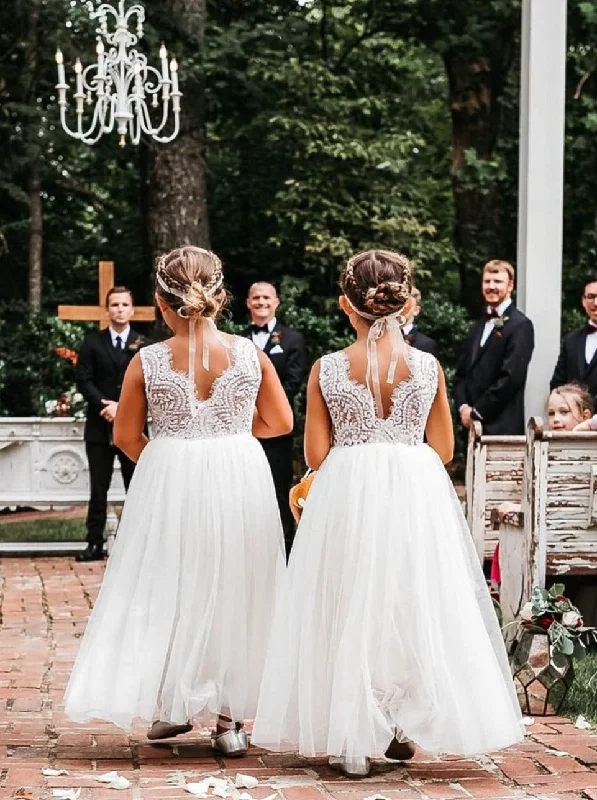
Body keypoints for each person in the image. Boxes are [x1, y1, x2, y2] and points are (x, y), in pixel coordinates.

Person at [252, 250, 524, 778]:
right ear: (404, 302)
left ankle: (353, 739)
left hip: (348, 489)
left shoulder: (326, 368)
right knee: (410, 596)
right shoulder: (427, 367)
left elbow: (313, 455)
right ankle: (400, 720)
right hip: (413, 490)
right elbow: (444, 448)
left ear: (345, 306)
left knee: (349, 597)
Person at [65, 247, 292, 757]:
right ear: (218, 298)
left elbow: (125, 435)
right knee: (238, 583)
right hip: (239, 474)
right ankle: (231, 723)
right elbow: (280, 423)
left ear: (161, 303)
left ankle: (173, 707)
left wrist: (170, 454)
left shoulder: (146, 360)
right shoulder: (249, 355)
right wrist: (229, 437)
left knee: (170, 581)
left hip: (170, 478)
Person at [490, 382, 594, 588]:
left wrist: (586, 428)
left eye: (564, 412)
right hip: (554, 537)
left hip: (572, 538)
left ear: (585, 415)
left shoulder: (589, 448)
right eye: (551, 413)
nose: (556, 419)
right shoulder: (545, 450)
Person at [75, 286, 144, 562]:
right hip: (99, 426)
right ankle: (94, 542)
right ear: (107, 310)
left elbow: (146, 383)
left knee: (137, 487)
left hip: (133, 427)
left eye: (124, 304)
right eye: (114, 305)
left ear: (132, 309)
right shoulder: (92, 342)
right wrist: (105, 405)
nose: (119, 309)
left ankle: (139, 545)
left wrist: (123, 408)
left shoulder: (144, 343)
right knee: (98, 487)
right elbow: (83, 378)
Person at [244, 282, 307, 556]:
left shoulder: (292, 339)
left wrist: (266, 409)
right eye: (256, 298)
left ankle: (287, 547)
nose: (261, 302)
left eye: (266, 297)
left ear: (276, 302)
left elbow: (293, 381)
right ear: (248, 303)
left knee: (280, 487)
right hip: (245, 428)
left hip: (279, 428)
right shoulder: (237, 339)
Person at [454, 260, 534, 435]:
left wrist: (477, 412)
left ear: (510, 285)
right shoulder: (477, 326)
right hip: (470, 429)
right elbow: (462, 374)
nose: (491, 286)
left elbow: (512, 377)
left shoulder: (521, 325)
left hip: (502, 427)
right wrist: (463, 407)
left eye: (497, 281)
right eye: (487, 281)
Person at [551, 275, 597, 408]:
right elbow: (557, 384)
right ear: (583, 301)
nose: (596, 303)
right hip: (573, 423)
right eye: (591, 297)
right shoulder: (570, 340)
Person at [402, 287, 438, 356]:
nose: (401, 309)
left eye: (406, 305)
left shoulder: (427, 344)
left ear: (416, 310)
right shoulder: (382, 338)